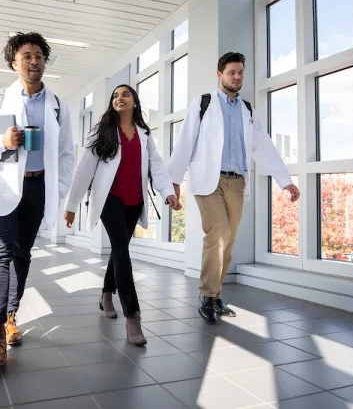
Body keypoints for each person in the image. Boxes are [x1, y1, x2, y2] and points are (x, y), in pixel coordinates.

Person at [0, 32, 75, 367]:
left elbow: (67, 154)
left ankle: (11, 313)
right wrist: (1, 141)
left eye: (39, 55)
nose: (34, 61)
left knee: (22, 253)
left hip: (38, 189)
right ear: (14, 62)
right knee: (0, 253)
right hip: (2, 185)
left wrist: (56, 191)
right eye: (26, 56)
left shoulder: (58, 106)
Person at [169, 52, 300, 322]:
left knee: (228, 242)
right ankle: (206, 296)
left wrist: (285, 181)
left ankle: (216, 296)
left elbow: (263, 147)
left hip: (237, 182)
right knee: (218, 234)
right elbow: (185, 141)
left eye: (240, 72)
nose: (237, 77)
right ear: (220, 75)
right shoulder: (203, 103)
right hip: (209, 180)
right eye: (231, 72)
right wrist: (173, 180)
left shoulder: (247, 110)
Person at [64, 84, 181, 345]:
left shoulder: (144, 135)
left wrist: (167, 193)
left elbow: (157, 167)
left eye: (125, 94)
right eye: (116, 96)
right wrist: (71, 203)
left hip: (135, 201)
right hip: (110, 199)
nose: (120, 98)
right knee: (122, 251)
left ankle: (106, 293)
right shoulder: (102, 132)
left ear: (135, 103)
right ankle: (133, 317)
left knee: (120, 250)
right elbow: (84, 169)